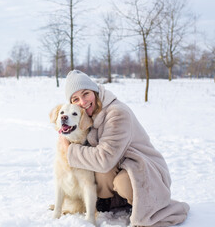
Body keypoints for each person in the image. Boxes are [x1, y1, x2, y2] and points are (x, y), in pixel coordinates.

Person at [59, 70, 189, 227]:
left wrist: (69, 150)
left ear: (95, 91)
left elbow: (104, 158)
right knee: (95, 167)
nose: (82, 101)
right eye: (76, 99)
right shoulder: (87, 116)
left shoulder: (116, 113)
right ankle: (112, 202)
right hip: (120, 163)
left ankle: (150, 205)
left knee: (122, 182)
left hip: (145, 169)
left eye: (86, 93)